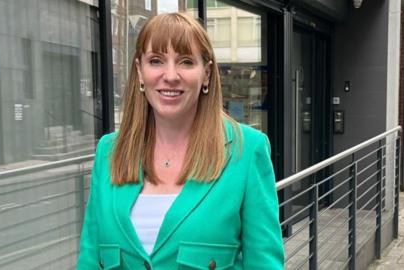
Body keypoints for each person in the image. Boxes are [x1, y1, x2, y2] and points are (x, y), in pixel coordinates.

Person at [77, 12, 284, 270]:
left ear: (206, 74)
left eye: (186, 62)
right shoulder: (109, 151)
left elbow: (265, 264)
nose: (171, 75)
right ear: (140, 71)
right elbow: (90, 259)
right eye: (156, 61)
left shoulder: (246, 150)